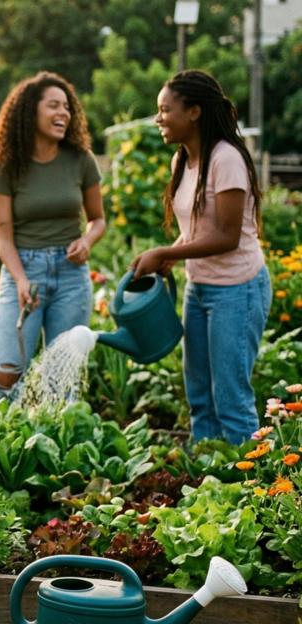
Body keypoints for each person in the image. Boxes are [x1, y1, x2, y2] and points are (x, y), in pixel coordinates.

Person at [129, 70, 269, 443]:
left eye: (165, 109)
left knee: (231, 399)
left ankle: (252, 489)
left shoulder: (226, 159)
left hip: (237, 290)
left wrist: (163, 250)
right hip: (200, 288)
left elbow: (226, 236)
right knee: (201, 399)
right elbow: (198, 227)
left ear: (193, 112)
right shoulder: (183, 162)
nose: (158, 118)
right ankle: (209, 479)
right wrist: (174, 253)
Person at [0, 72, 105, 409]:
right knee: (8, 370)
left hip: (71, 276)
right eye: (53, 106)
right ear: (29, 112)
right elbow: (3, 237)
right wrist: (21, 280)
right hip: (25, 271)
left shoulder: (81, 160)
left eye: (67, 107)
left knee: (61, 377)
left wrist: (88, 241)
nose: (63, 113)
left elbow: (98, 219)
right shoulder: (5, 167)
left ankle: (55, 456)